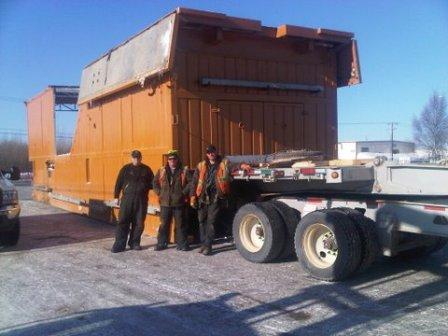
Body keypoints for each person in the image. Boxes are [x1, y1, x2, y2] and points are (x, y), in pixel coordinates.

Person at [190, 145, 231, 255]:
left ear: (216, 152)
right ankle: (203, 244)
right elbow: (194, 182)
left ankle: (208, 246)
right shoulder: (201, 165)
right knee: (201, 221)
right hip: (202, 197)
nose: (211, 154)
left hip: (215, 197)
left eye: (213, 152)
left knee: (211, 222)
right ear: (207, 154)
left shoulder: (224, 163)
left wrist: (243, 165)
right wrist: (192, 196)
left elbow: (235, 167)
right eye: (209, 152)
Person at [111, 150, 154, 253]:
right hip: (127, 199)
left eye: (138, 157)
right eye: (134, 157)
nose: (136, 159)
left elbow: (153, 183)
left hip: (141, 200)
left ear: (141, 158)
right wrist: (116, 196)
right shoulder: (126, 169)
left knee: (139, 223)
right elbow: (119, 182)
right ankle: (119, 245)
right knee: (123, 221)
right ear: (131, 158)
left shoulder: (146, 170)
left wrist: (147, 186)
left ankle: (134, 243)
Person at [153, 150, 190, 251]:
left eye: (174, 159)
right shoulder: (162, 170)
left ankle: (182, 244)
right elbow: (155, 183)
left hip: (179, 203)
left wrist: (183, 193)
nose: (172, 161)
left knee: (180, 224)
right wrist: (159, 193)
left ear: (177, 160)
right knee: (164, 224)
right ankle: (161, 243)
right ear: (168, 161)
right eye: (170, 159)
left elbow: (190, 183)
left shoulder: (183, 170)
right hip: (165, 202)